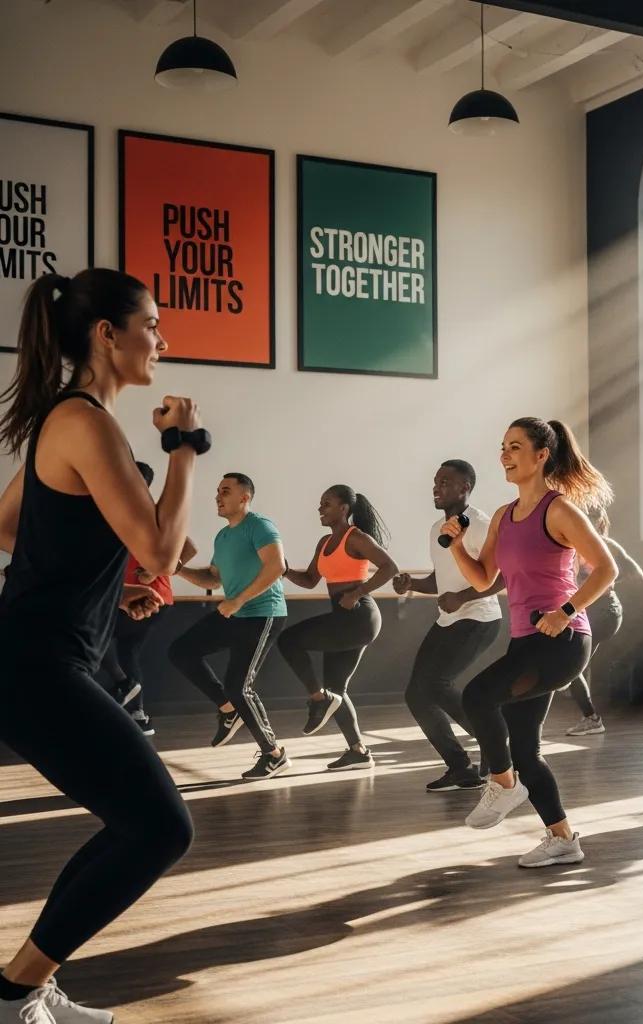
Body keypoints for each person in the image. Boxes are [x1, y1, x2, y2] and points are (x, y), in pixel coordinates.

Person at [0, 269, 198, 1024]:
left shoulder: (71, 419)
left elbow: (11, 526)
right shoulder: (86, 423)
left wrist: (102, 589)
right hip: (33, 666)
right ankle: (14, 993)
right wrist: (183, 448)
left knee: (136, 826)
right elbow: (161, 551)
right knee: (161, 827)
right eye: (151, 324)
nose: (162, 339)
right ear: (106, 336)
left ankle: (26, 984)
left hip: (42, 659)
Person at [444, 417, 617, 868]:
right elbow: (484, 579)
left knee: (477, 694)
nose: (505, 454)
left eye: (515, 447)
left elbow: (606, 568)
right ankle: (563, 839)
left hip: (562, 639)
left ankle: (502, 785)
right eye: (503, 446)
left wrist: (566, 612)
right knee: (525, 750)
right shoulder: (503, 515)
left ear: (542, 455)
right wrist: (457, 547)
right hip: (525, 641)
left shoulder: (559, 510)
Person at [170, 474, 290, 781]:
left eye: (225, 491)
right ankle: (228, 709)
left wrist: (237, 602)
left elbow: (277, 567)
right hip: (236, 613)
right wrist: (178, 570)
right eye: (217, 492)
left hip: (263, 614)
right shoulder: (223, 537)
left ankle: (274, 755)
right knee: (182, 651)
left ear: (244, 497)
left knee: (239, 685)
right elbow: (214, 578)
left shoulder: (260, 526)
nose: (218, 497)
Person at [395, 461, 504, 791]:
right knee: (416, 694)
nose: (436, 487)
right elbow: (440, 581)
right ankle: (460, 767)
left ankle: (495, 744)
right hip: (449, 619)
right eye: (435, 481)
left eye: (445, 481)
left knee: (437, 684)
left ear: (465, 487)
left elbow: (503, 578)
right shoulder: (436, 530)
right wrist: (411, 583)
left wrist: (462, 597)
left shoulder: (483, 525)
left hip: (480, 618)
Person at [279, 485, 398, 771]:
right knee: (337, 688)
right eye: (320, 504)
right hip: (342, 618)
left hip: (359, 617)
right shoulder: (323, 543)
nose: (320, 508)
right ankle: (359, 751)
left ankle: (319, 700)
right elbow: (309, 580)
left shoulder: (355, 537)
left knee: (288, 640)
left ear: (344, 508)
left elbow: (389, 567)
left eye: (326, 503)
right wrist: (283, 570)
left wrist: (357, 593)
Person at [99, 460, 198, 736]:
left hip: (152, 598)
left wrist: (155, 570)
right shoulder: (117, 511)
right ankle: (139, 715)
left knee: (97, 636)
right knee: (126, 651)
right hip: (127, 596)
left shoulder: (152, 514)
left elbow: (189, 548)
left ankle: (125, 687)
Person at [565, 505, 643, 736]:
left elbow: (637, 574)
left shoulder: (606, 545)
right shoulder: (573, 544)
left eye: (589, 518)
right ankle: (590, 718)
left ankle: (591, 719)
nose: (584, 522)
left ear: (599, 522)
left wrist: (602, 585)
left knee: (570, 665)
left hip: (605, 611)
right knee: (573, 665)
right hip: (584, 611)